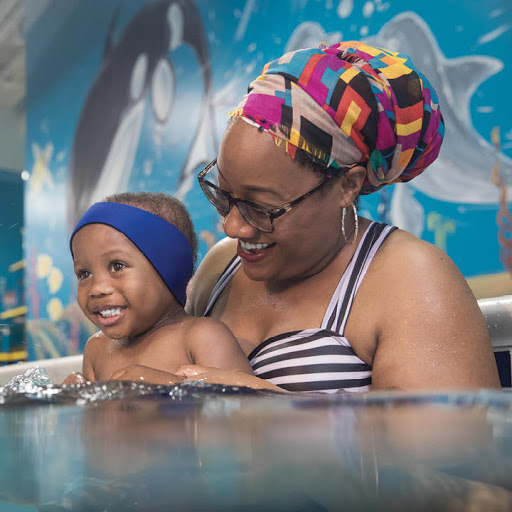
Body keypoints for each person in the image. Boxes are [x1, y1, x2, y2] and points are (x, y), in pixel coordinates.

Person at [115, 41, 501, 392]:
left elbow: (451, 457)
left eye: (262, 207)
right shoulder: (222, 266)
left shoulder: (411, 278)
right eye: (224, 194)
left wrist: (264, 404)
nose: (232, 227)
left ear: (347, 186)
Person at [62, 191, 257, 386]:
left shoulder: (202, 337)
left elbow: (241, 409)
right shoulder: (97, 349)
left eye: (117, 266)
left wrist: (168, 387)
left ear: (168, 269)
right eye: (84, 273)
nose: (97, 289)